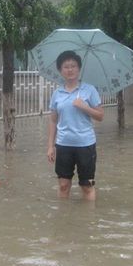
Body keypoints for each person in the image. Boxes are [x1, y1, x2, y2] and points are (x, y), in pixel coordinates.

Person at [47, 50, 104, 201]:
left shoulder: (89, 90)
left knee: (87, 186)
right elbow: (53, 120)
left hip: (85, 144)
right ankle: (64, 218)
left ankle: (89, 220)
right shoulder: (57, 94)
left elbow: (100, 116)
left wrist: (84, 107)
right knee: (63, 185)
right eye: (66, 66)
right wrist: (50, 146)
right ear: (60, 70)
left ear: (79, 68)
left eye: (73, 66)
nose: (70, 69)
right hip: (63, 144)